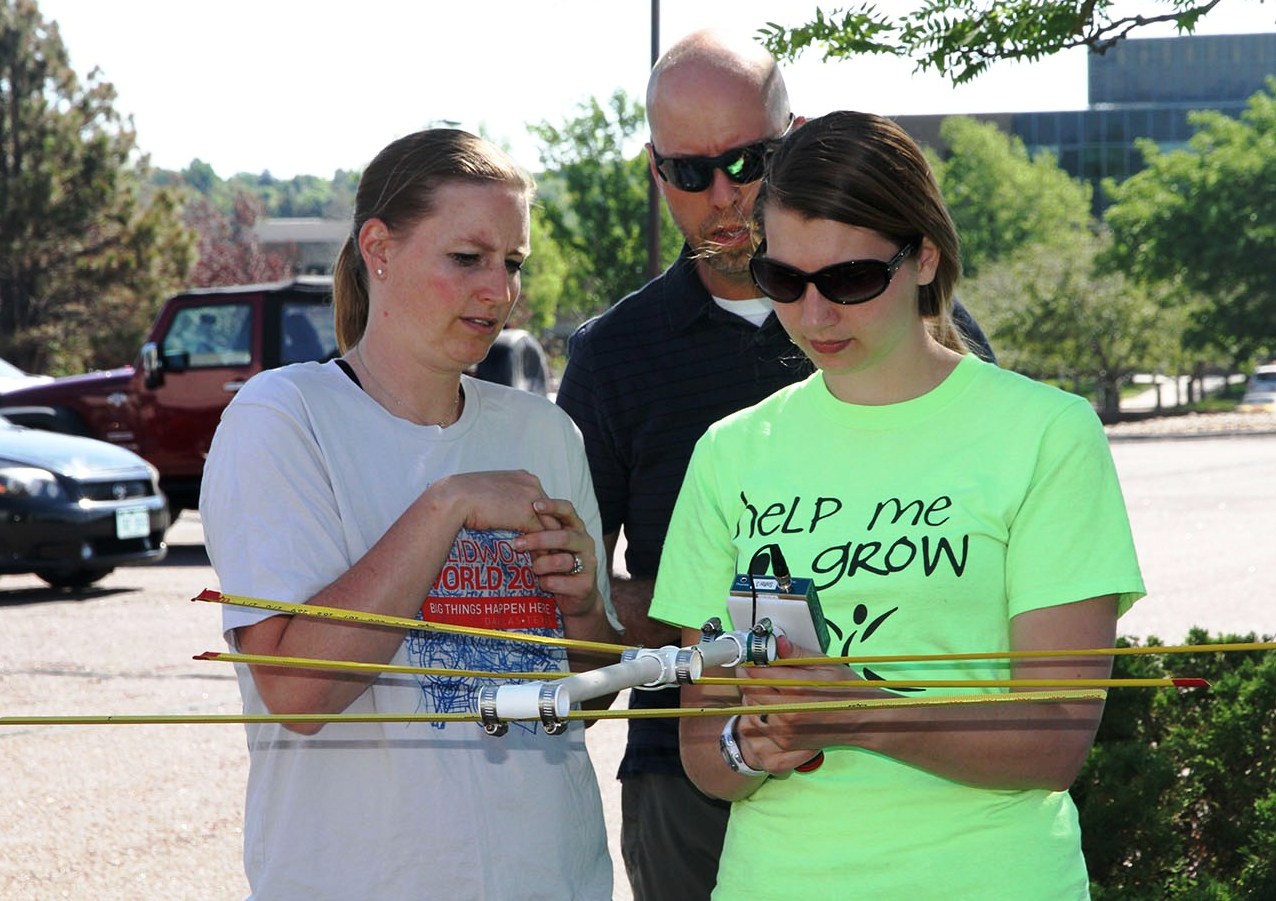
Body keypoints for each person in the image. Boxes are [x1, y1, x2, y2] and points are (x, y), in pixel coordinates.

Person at [648, 110, 1147, 899]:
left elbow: (1055, 737)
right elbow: (703, 750)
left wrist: (858, 712)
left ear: (924, 257)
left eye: (849, 279)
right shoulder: (729, 452)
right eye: (784, 280)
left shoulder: (1047, 433)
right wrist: (748, 745)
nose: (814, 314)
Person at [554, 29, 994, 901]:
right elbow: (581, 623)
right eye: (690, 172)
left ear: (795, 138)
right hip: (688, 776)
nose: (724, 195)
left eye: (748, 160)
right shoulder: (612, 355)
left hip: (914, 761)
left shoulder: (919, 317)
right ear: (654, 171)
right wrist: (690, 609)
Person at [200, 128, 619, 900]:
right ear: (378, 249)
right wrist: (447, 505)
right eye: (467, 257)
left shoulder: (546, 433)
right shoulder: (284, 417)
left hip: (555, 879)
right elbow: (298, 694)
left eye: (512, 262)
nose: (500, 290)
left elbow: (583, 704)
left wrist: (587, 607)